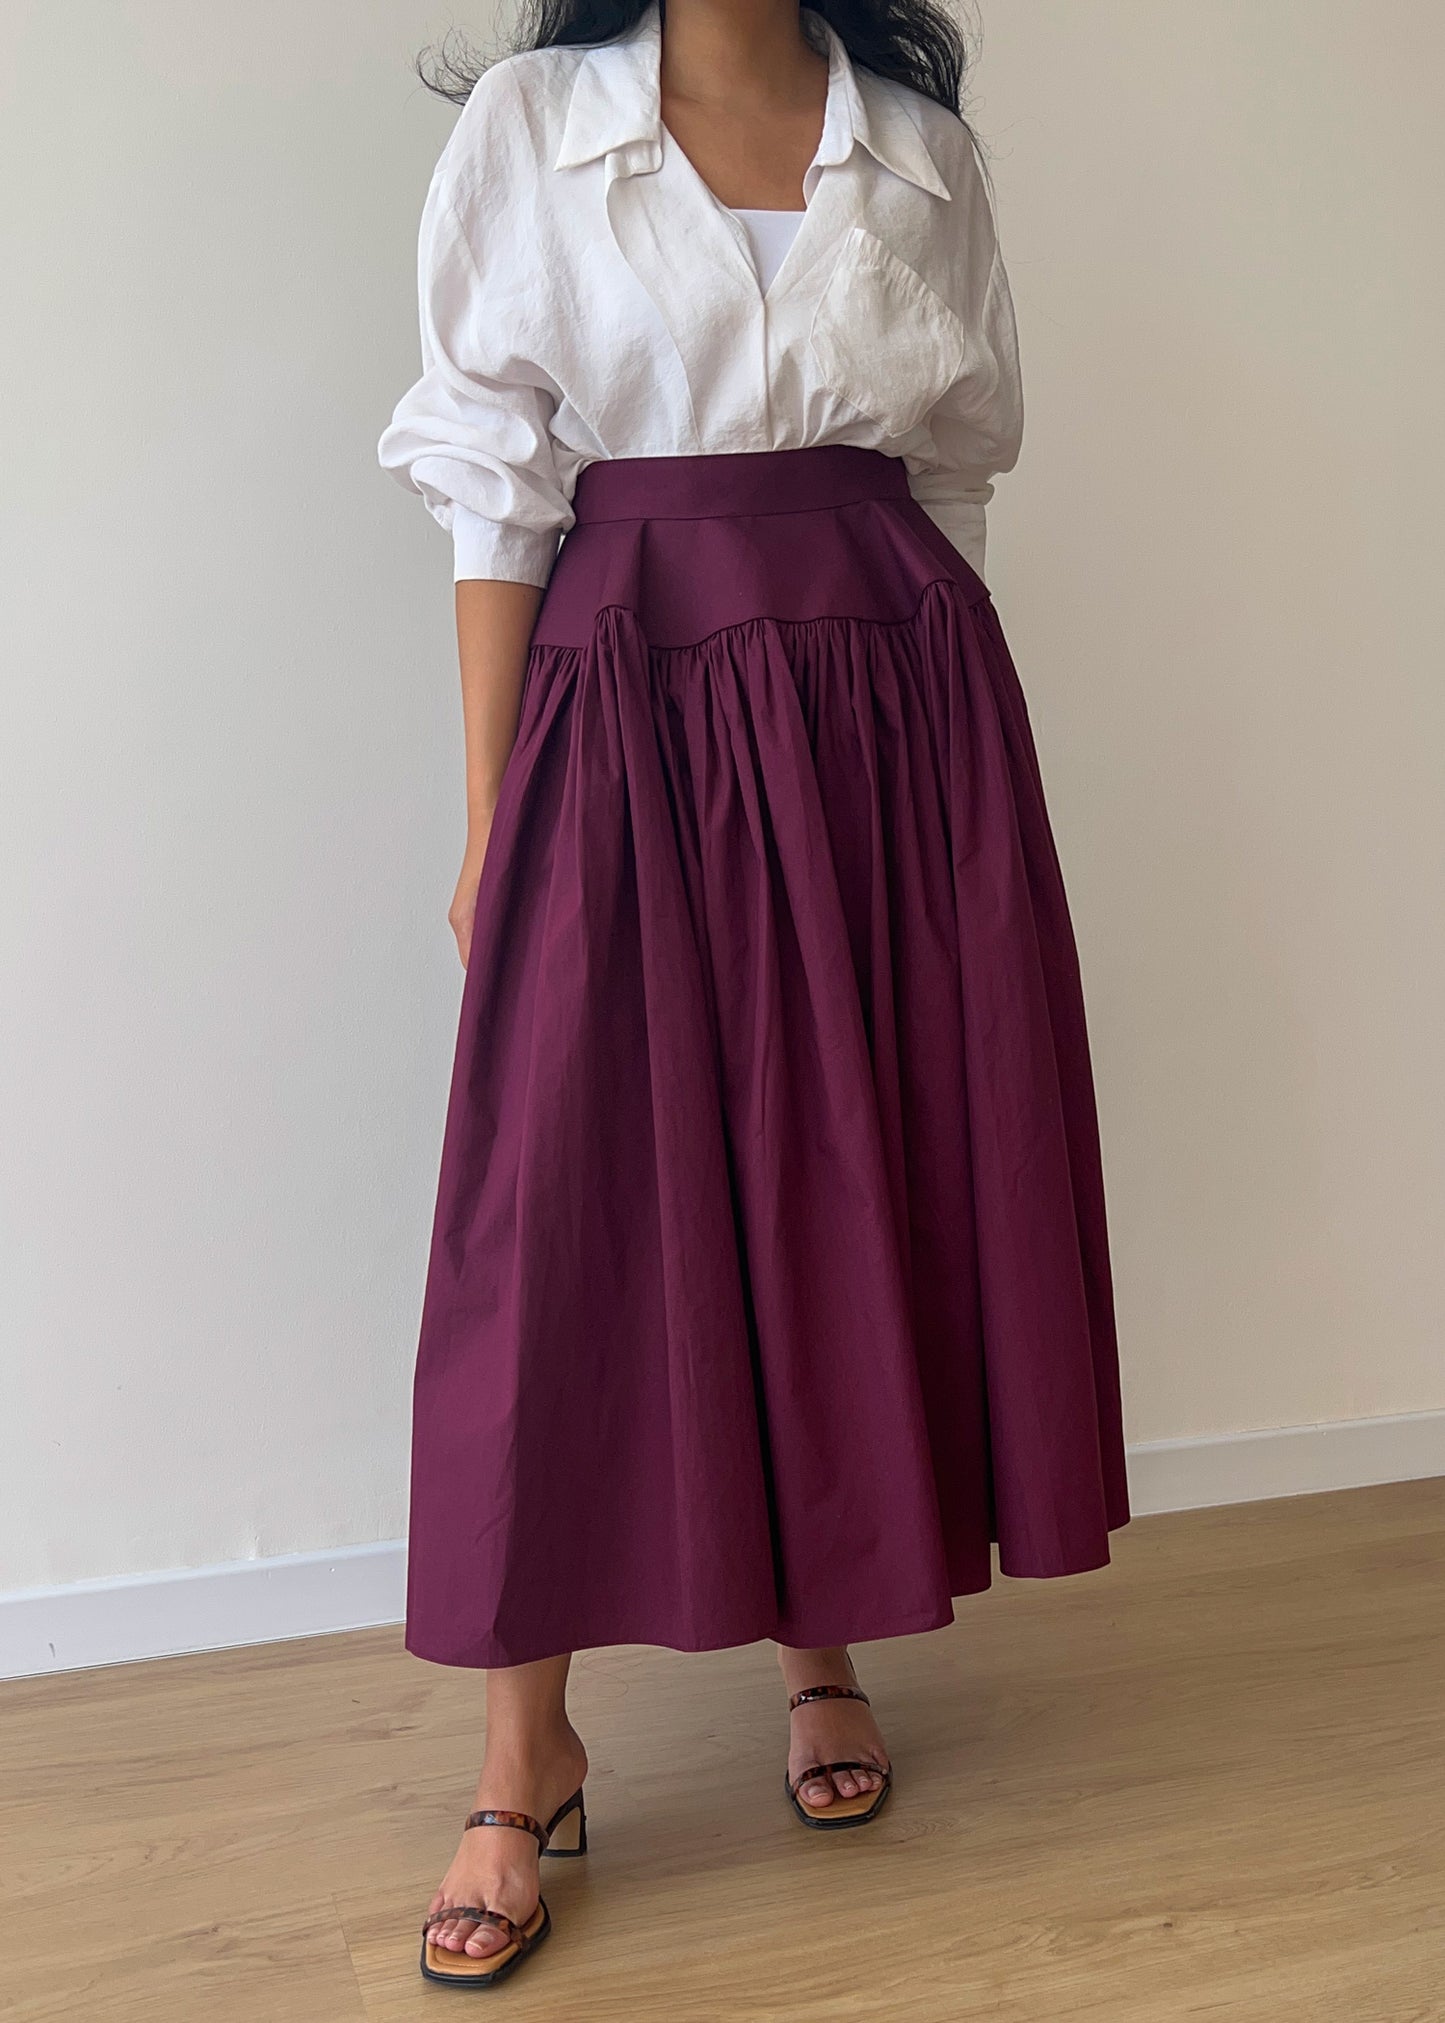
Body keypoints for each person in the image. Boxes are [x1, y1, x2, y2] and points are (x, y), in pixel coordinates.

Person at [377, 0, 1130, 1988]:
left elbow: (954, 471)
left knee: (843, 1169)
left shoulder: (914, 144)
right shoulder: (536, 122)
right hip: (628, 699)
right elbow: (492, 476)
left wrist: (949, 774)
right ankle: (521, 1754)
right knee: (561, 1211)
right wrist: (492, 816)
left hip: (894, 708)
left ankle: (824, 1637)